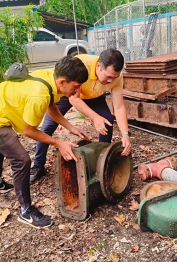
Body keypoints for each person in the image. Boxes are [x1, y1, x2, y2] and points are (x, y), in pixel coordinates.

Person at [0, 56, 90, 228]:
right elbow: (29, 131)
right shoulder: (39, 95)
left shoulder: (50, 79)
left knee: (2, 145)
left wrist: (70, 127)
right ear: (63, 82)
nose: (78, 90)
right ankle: (25, 211)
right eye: (76, 86)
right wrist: (59, 143)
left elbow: (52, 107)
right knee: (21, 160)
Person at [31, 48, 132, 184]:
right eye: (108, 76)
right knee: (48, 125)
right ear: (98, 66)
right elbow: (74, 99)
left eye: (114, 77)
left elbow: (119, 107)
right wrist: (95, 118)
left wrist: (125, 134)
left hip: (94, 96)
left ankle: (101, 163)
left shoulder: (116, 77)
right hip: (70, 94)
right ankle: (38, 165)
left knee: (107, 120)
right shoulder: (82, 64)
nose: (111, 80)